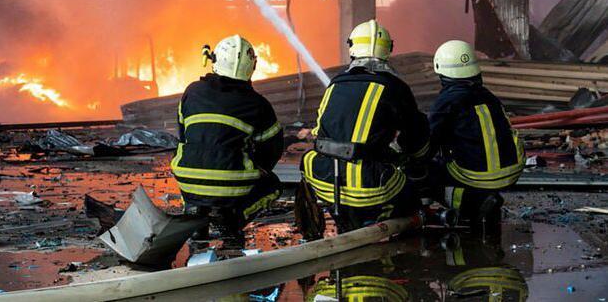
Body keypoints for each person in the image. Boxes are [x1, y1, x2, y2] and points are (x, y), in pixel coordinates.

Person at [301, 20, 430, 232]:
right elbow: (415, 136)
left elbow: (319, 133)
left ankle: (346, 219)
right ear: (388, 49)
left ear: (352, 48)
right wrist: (413, 159)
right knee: (412, 189)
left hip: (326, 182)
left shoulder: (335, 84)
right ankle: (386, 226)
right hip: (371, 185)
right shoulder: (396, 88)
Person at [171, 34, 284, 244]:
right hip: (232, 185)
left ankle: (195, 213)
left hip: (187, 179)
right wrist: (255, 167)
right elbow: (273, 149)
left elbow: (183, 135)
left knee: (196, 164)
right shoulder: (258, 104)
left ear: (215, 61)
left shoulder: (191, 92)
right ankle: (233, 219)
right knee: (273, 185)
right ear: (252, 67)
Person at [426, 40, 525, 235]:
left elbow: (427, 143)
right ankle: (483, 196)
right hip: (512, 170)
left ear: (441, 70)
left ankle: (471, 204)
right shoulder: (488, 96)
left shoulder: (447, 102)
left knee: (423, 172)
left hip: (479, 176)